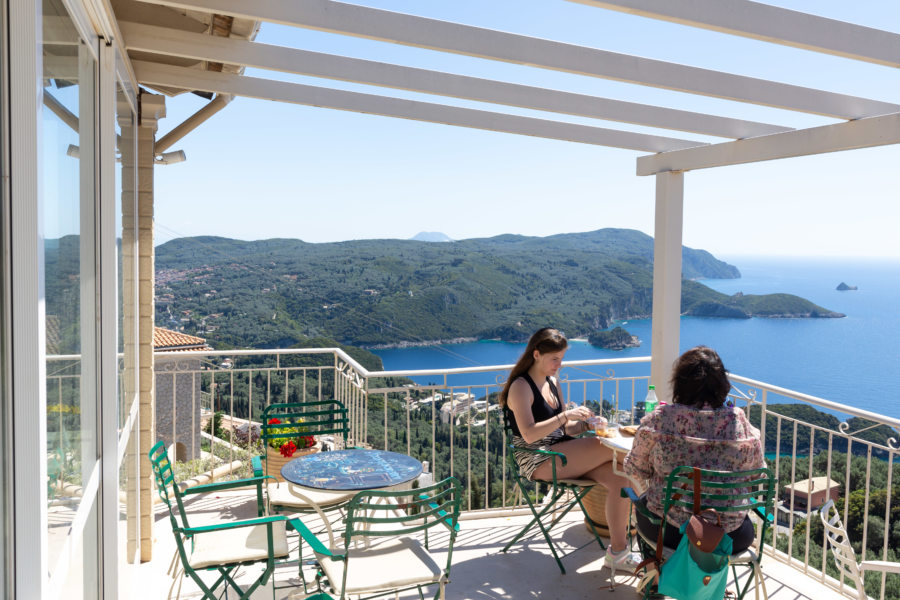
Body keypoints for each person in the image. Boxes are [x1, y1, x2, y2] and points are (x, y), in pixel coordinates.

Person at [499, 327, 640, 572]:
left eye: (561, 359)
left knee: (622, 479)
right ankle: (656, 519)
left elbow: (565, 430)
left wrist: (585, 423)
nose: (559, 365)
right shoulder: (520, 387)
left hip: (562, 451)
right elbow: (530, 434)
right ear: (536, 355)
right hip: (538, 458)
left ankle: (618, 553)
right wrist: (565, 416)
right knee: (612, 449)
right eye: (555, 359)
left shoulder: (553, 382)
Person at [624, 346, 765, 553]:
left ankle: (657, 580)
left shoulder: (662, 419)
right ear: (722, 383)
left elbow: (634, 468)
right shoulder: (740, 423)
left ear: (680, 383)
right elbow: (758, 475)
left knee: (644, 509)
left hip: (670, 532)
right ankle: (710, 583)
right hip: (729, 536)